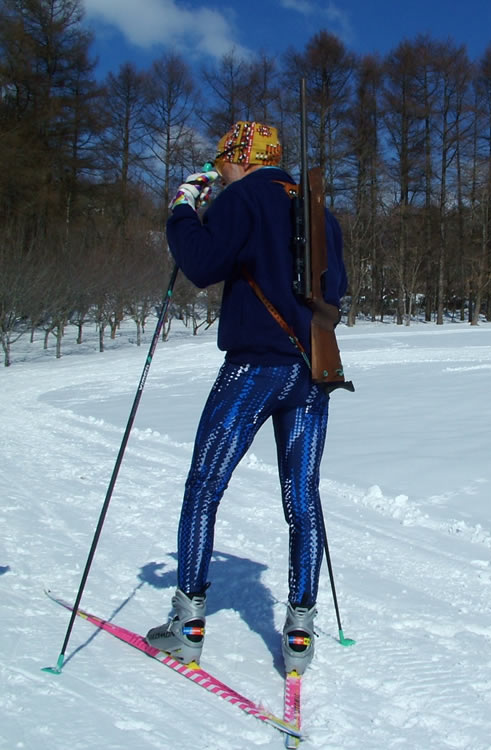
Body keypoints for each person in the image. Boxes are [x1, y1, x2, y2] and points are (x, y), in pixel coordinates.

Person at [146, 121, 348, 675]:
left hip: (253, 370)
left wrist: (184, 208)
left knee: (204, 486)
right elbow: (336, 291)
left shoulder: (244, 197)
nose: (221, 175)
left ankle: (187, 625)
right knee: (302, 498)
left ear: (239, 160)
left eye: (221, 165)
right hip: (310, 373)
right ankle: (301, 631)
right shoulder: (318, 211)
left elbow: (202, 264)